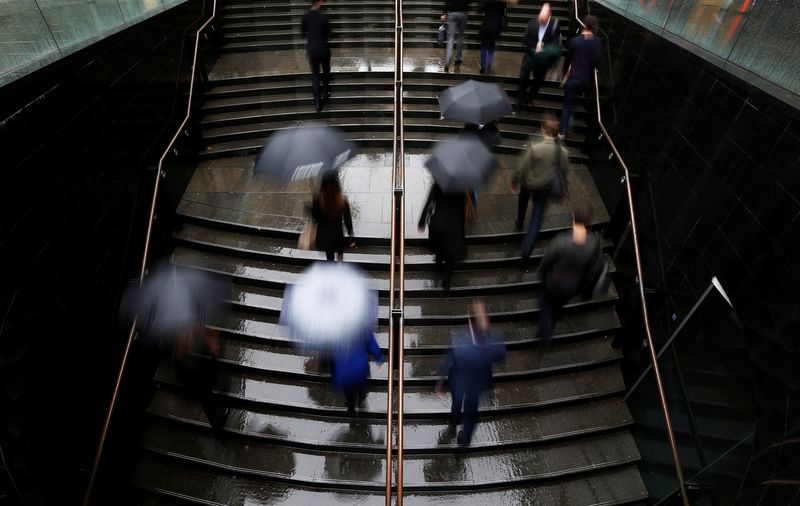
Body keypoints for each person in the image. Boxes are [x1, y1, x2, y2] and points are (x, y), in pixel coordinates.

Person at [436, 301, 506, 447]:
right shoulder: (495, 342)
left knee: (457, 404)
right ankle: (464, 441)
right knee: (471, 414)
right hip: (478, 385)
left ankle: (455, 417)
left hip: (459, 382)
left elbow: (449, 362)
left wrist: (441, 381)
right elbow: (500, 359)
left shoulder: (460, 342)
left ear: (470, 321)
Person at [537, 205, 598, 343]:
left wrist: (542, 270)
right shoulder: (592, 244)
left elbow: (547, 260)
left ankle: (546, 331)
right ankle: (550, 324)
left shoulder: (562, 241)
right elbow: (590, 270)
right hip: (571, 286)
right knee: (556, 306)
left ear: (573, 221)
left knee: (546, 304)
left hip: (554, 282)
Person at [512, 113, 569, 260]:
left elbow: (522, 167)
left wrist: (515, 180)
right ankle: (526, 250)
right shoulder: (562, 152)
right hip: (545, 188)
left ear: (543, 129)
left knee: (523, 200)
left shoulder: (535, 147)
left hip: (528, 183)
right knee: (537, 218)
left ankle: (519, 220)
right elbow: (563, 172)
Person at [173, 324, 229, 433]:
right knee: (207, 392)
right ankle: (216, 421)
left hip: (187, 364)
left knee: (206, 393)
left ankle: (216, 420)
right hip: (189, 366)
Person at [418, 182, 472, 290]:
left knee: (440, 245)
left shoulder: (438, 184)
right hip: (454, 224)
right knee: (450, 252)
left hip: (439, 221)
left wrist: (422, 222)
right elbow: (462, 209)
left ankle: (439, 264)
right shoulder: (461, 187)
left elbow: (429, 203)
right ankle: (447, 281)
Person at [560, 15, 602, 138]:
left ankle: (564, 130)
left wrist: (564, 74)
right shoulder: (598, 42)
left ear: (583, 25)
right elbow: (597, 62)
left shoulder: (575, 41)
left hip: (573, 78)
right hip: (586, 80)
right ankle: (569, 123)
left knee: (567, 105)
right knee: (573, 101)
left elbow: (567, 60)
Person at [517, 3, 561, 110]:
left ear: (549, 15)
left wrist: (543, 46)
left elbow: (556, 44)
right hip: (529, 57)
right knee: (523, 78)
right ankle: (521, 97)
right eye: (541, 15)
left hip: (542, 61)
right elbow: (524, 40)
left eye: (544, 17)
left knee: (538, 81)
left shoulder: (554, 26)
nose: (541, 19)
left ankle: (530, 98)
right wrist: (534, 45)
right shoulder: (532, 23)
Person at [331, 330, 384, 413]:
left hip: (344, 367)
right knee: (360, 386)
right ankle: (360, 401)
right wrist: (379, 359)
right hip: (359, 365)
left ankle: (351, 405)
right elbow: (371, 343)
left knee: (347, 389)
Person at [311, 172, 355, 261]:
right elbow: (347, 220)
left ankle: (331, 272)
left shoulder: (319, 199)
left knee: (329, 257)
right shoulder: (342, 199)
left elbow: (315, 217)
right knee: (340, 254)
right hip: (337, 234)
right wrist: (351, 236)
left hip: (325, 235)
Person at [301, 0, 332, 113]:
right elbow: (329, 34)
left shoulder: (305, 17)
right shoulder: (323, 17)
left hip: (313, 51)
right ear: (318, 3)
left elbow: (302, 33)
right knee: (326, 71)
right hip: (323, 49)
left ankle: (318, 103)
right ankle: (326, 93)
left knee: (315, 75)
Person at [441, 0, 470, 72]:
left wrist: (444, 13)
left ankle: (447, 62)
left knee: (450, 38)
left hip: (452, 13)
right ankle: (457, 59)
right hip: (463, 13)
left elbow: (447, 2)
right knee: (460, 36)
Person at [478, 0, 505, 74]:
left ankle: (483, 65)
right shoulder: (502, 1)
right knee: (491, 45)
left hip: (486, 23)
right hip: (496, 25)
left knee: (483, 45)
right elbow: (503, 13)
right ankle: (489, 61)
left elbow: (480, 9)